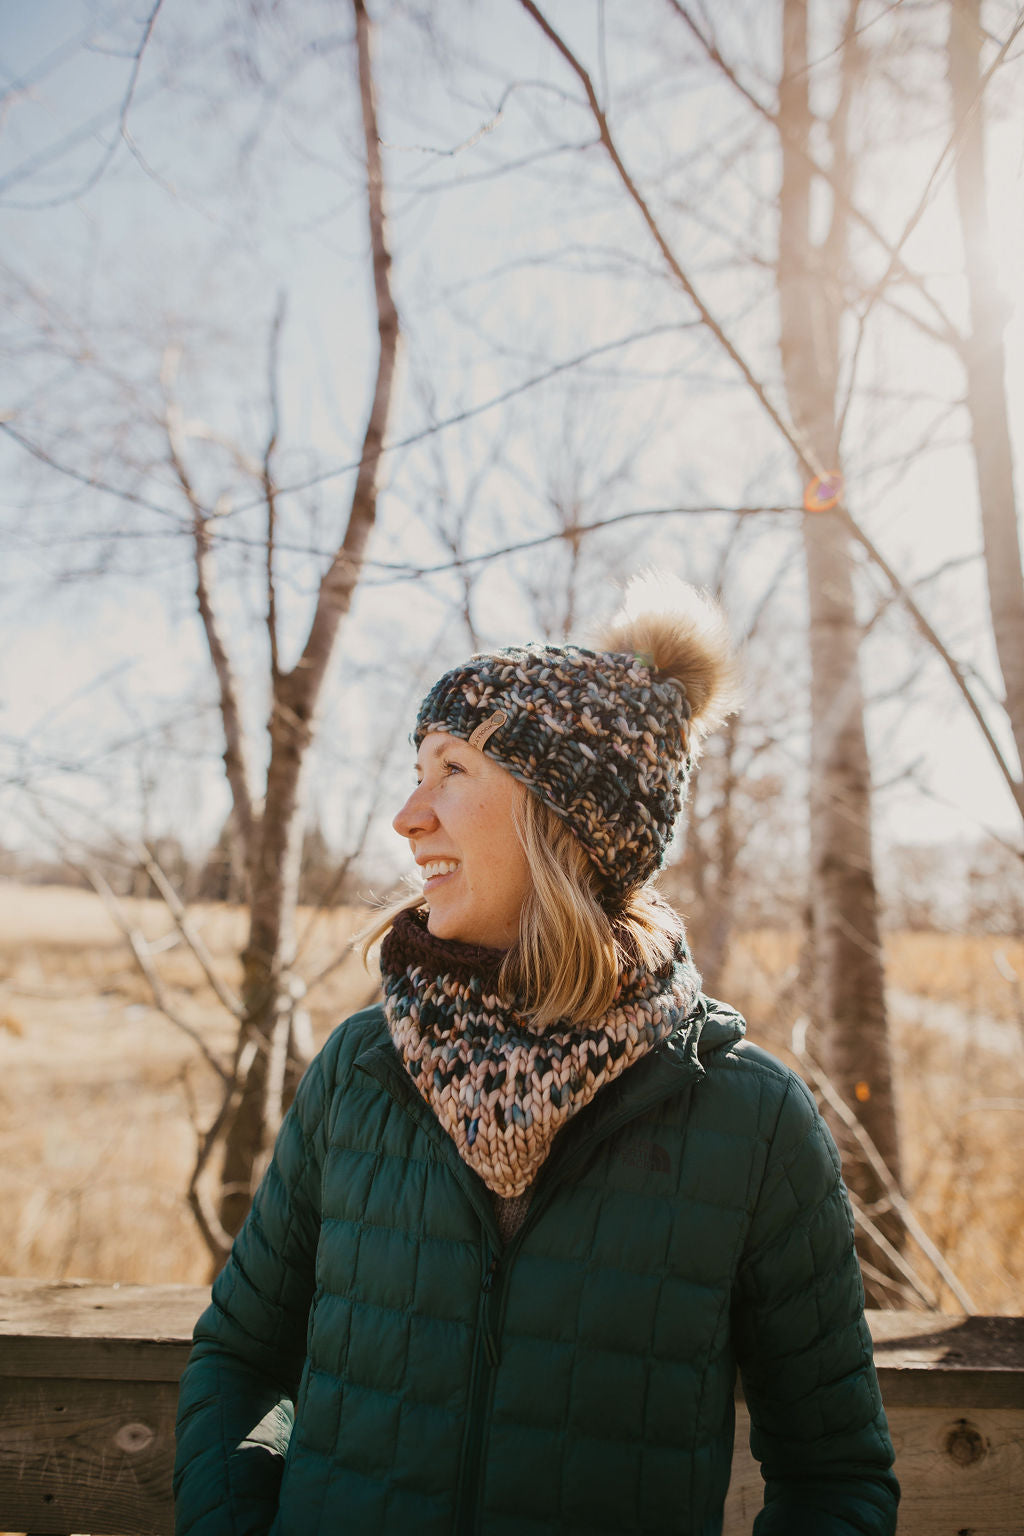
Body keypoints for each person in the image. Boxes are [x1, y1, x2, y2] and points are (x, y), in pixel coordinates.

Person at [174, 577, 899, 1536]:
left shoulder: (750, 1120)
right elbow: (239, 1359)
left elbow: (834, 1474)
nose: (407, 816)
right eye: (415, 770)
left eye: (452, 771)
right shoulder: (360, 1068)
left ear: (566, 817)